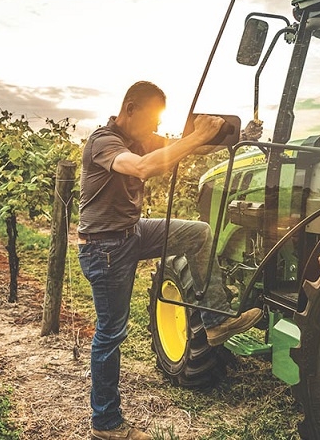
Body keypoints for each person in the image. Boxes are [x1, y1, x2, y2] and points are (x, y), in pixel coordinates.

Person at [78, 81, 263, 440]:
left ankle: (213, 322)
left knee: (198, 232)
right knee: (110, 333)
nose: (153, 130)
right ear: (129, 109)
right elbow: (144, 167)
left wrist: (240, 135)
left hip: (131, 232)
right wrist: (193, 138)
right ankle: (106, 424)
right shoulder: (104, 143)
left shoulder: (138, 138)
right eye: (149, 121)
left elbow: (180, 149)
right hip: (105, 247)